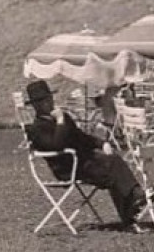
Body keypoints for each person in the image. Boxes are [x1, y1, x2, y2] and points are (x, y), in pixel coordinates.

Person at [22, 79, 146, 228]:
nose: (48, 103)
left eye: (48, 98)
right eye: (42, 101)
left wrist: (102, 143)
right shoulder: (37, 128)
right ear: (35, 106)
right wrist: (60, 121)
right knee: (112, 165)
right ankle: (136, 197)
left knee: (111, 162)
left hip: (84, 162)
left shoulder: (65, 118)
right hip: (67, 168)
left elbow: (81, 137)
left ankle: (130, 211)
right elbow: (57, 144)